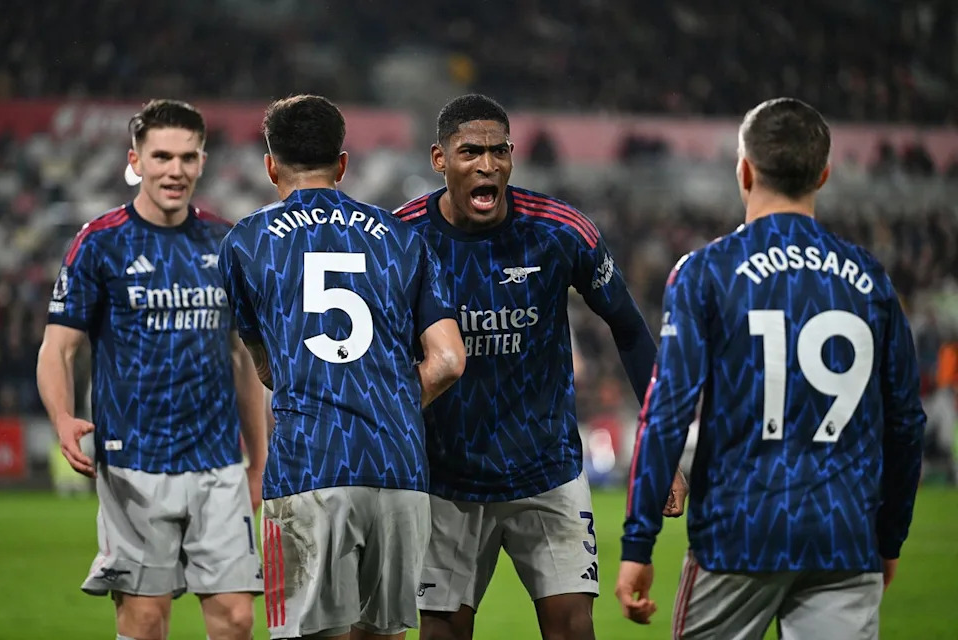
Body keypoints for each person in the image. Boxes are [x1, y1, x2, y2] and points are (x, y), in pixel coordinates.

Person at [616, 97, 926, 640]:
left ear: (745, 169)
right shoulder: (871, 279)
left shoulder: (707, 273)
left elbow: (666, 413)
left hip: (739, 534)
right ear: (824, 174)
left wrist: (638, 543)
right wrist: (888, 538)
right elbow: (906, 422)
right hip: (844, 538)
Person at [393, 93, 684, 640]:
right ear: (439, 159)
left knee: (573, 630)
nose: (487, 165)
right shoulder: (402, 238)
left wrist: (663, 449)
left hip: (546, 471)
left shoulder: (559, 230)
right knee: (440, 634)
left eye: (499, 151)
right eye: (470, 152)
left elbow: (630, 329)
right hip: (446, 479)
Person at [217, 94, 466, 640]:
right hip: (397, 469)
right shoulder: (404, 239)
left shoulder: (245, 243)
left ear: (270, 164)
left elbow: (266, 366)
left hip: (309, 466)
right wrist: (391, 403)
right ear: (343, 162)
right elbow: (448, 361)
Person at [36, 99, 266, 640]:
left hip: (217, 463)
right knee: (144, 622)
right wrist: (63, 418)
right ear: (136, 160)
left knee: (236, 618)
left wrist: (258, 457)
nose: (175, 170)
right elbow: (57, 348)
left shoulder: (225, 242)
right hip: (134, 463)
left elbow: (245, 359)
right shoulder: (100, 243)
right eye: (161, 156)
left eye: (187, 157)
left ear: (203, 161)